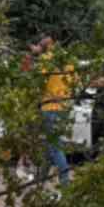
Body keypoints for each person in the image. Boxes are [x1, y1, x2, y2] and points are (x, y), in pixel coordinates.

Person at [22, 37, 74, 185]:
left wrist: (30, 58)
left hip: (50, 107)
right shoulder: (68, 60)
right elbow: (74, 82)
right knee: (50, 147)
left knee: (56, 147)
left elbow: (34, 80)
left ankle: (65, 183)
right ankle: (40, 178)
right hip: (64, 107)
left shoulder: (46, 60)